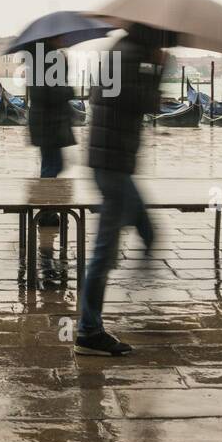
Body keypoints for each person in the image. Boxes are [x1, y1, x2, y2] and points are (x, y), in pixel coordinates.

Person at [76, 24, 165, 356]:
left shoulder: (123, 51)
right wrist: (159, 72)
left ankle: (144, 265)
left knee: (146, 228)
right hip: (112, 163)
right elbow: (139, 100)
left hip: (112, 160)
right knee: (104, 251)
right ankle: (88, 331)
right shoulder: (131, 56)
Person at [27, 39, 75, 282]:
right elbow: (51, 92)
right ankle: (46, 212)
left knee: (53, 165)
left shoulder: (41, 60)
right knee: (51, 166)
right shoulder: (47, 61)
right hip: (50, 124)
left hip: (48, 124)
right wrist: (70, 90)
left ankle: (48, 210)